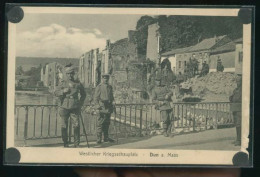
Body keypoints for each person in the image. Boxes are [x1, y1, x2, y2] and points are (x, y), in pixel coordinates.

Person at [54, 65, 86, 148]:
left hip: (75, 107)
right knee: (64, 125)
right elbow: (56, 92)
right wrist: (63, 91)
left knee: (76, 125)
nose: (70, 75)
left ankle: (77, 143)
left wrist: (80, 103)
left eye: (72, 73)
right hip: (64, 106)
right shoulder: (63, 82)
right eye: (68, 74)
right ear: (66, 74)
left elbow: (84, 94)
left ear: (74, 74)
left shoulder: (78, 83)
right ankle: (65, 143)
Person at [94, 73, 115, 144]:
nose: (105, 80)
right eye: (104, 78)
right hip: (102, 107)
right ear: (102, 79)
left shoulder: (110, 87)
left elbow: (111, 96)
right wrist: (97, 107)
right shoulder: (99, 87)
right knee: (100, 124)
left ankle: (106, 138)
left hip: (108, 107)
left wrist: (113, 102)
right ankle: (99, 139)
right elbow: (95, 98)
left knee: (107, 123)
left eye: (107, 78)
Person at [229, 74, 242, 146]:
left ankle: (239, 140)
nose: (237, 82)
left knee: (239, 124)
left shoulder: (242, 90)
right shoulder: (236, 90)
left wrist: (233, 98)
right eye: (236, 81)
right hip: (235, 108)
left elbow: (238, 98)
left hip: (239, 109)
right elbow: (231, 97)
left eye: (239, 81)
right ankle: (238, 139)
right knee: (237, 124)